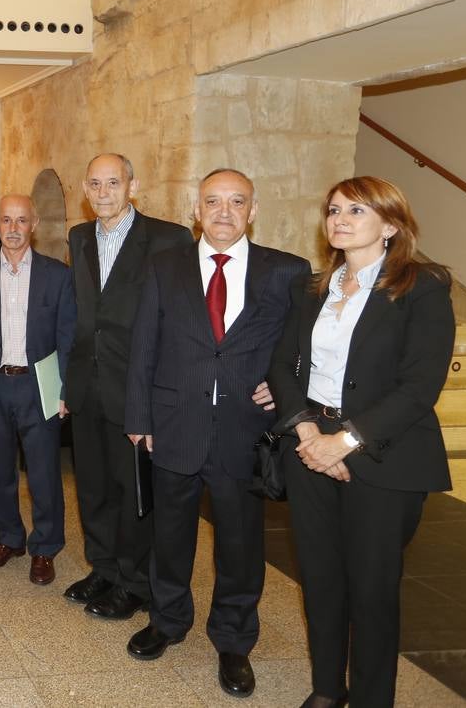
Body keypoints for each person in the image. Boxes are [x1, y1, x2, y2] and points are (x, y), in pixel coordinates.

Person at [267, 177, 453, 708]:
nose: (339, 219)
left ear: (391, 224)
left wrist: (344, 442)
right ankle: (328, 689)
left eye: (356, 210)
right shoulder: (314, 289)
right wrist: (307, 432)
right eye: (333, 210)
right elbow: (283, 365)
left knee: (372, 592)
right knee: (321, 582)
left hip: (383, 457)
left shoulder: (422, 285)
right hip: (309, 448)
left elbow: (420, 386)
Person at [124, 168, 309, 698]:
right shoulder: (164, 267)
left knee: (240, 541)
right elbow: (144, 347)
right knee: (171, 533)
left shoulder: (287, 273)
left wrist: (287, 385)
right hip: (173, 424)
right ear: (196, 209)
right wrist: (138, 420)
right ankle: (167, 620)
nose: (224, 212)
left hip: (244, 431)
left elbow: (308, 346)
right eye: (213, 201)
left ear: (252, 211)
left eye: (237, 202)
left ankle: (233, 640)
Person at [63, 154, 192, 618]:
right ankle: (104, 567)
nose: (103, 192)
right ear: (84, 187)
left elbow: (179, 321)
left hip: (136, 388)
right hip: (86, 385)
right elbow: (81, 315)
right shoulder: (78, 237)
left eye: (113, 182)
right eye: (95, 183)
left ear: (132, 185)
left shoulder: (168, 239)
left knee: (131, 489)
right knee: (93, 486)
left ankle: (135, 581)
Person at [0, 194, 76, 586]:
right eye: (6, 220)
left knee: (43, 473)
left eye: (21, 221)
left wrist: (65, 391)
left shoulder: (57, 275)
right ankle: (10, 539)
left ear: (34, 223)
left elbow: (66, 338)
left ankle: (45, 547)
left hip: (38, 386)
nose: (13, 228)